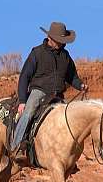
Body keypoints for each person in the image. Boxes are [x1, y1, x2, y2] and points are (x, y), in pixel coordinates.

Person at [11, 22, 88, 152]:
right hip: (39, 92)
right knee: (29, 112)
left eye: (62, 41)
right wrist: (23, 101)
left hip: (58, 96)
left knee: (68, 117)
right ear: (50, 38)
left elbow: (72, 77)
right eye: (59, 40)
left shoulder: (65, 56)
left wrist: (80, 85)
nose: (61, 43)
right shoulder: (37, 53)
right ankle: (17, 146)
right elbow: (24, 76)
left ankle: (67, 155)